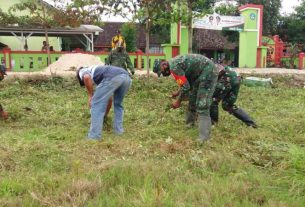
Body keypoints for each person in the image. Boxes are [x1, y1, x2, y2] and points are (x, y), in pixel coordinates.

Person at [153, 54, 219, 142]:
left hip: (208, 71)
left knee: (202, 104)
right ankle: (190, 125)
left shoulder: (174, 67)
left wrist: (178, 101)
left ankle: (204, 138)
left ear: (163, 64)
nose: (163, 74)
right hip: (199, 75)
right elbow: (184, 82)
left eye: (161, 71)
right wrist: (177, 92)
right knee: (192, 98)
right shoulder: (173, 65)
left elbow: (186, 87)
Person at [76, 65, 132, 140]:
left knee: (96, 104)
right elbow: (109, 99)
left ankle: (94, 136)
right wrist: (104, 115)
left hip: (112, 77)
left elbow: (86, 77)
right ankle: (119, 131)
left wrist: (90, 95)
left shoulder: (82, 71)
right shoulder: (98, 72)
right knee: (118, 104)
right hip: (126, 77)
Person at [210, 61, 257, 128]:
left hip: (227, 78)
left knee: (214, 100)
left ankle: (213, 123)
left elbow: (220, 72)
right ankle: (251, 123)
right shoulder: (211, 63)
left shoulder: (208, 66)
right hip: (236, 78)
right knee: (227, 105)